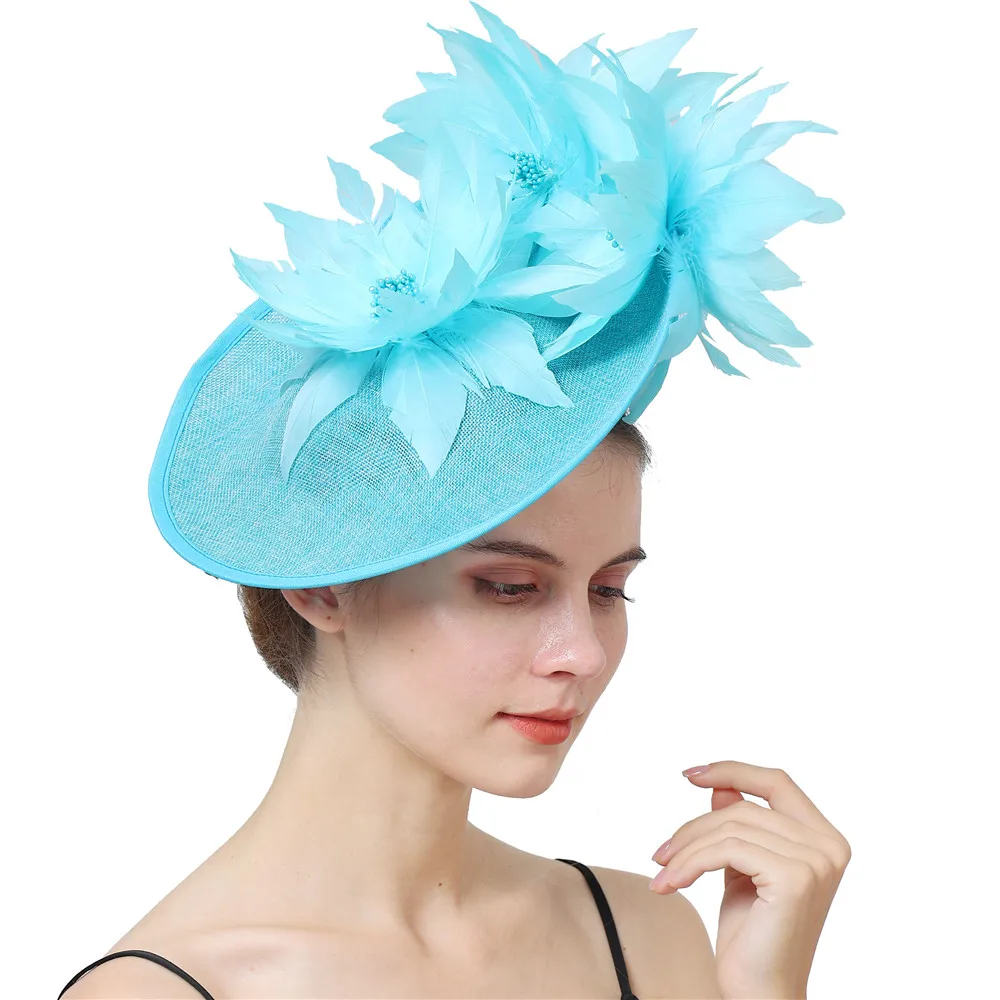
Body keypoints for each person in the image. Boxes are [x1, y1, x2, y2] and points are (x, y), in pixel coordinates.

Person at [57, 4, 843, 997]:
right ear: (324, 582)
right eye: (509, 587)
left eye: (608, 590)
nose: (582, 653)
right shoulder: (167, 990)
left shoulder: (647, 931)